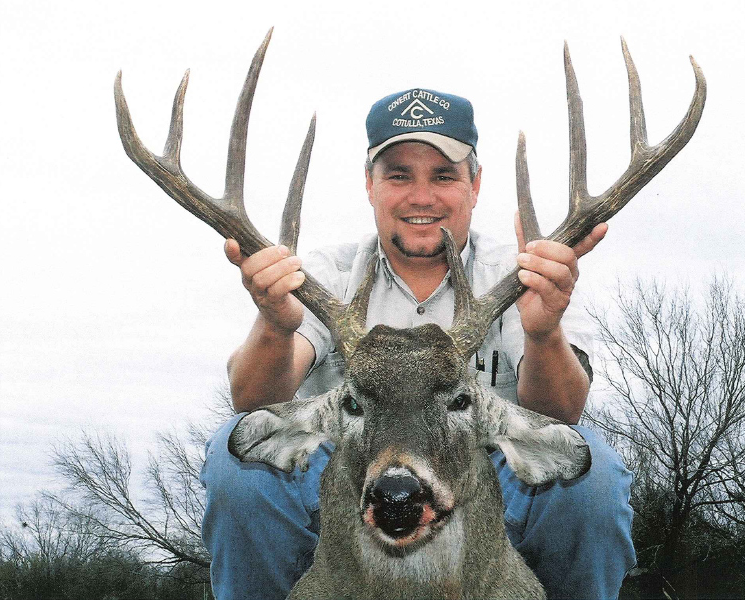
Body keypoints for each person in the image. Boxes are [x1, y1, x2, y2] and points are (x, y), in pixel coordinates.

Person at [200, 88, 636, 600]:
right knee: (238, 468)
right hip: (350, 480)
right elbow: (252, 405)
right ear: (370, 185)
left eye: (444, 175)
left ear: (475, 184)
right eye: (399, 175)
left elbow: (561, 414)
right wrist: (274, 324)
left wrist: (543, 332)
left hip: (482, 478)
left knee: (594, 477)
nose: (422, 197)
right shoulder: (325, 276)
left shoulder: (524, 274)